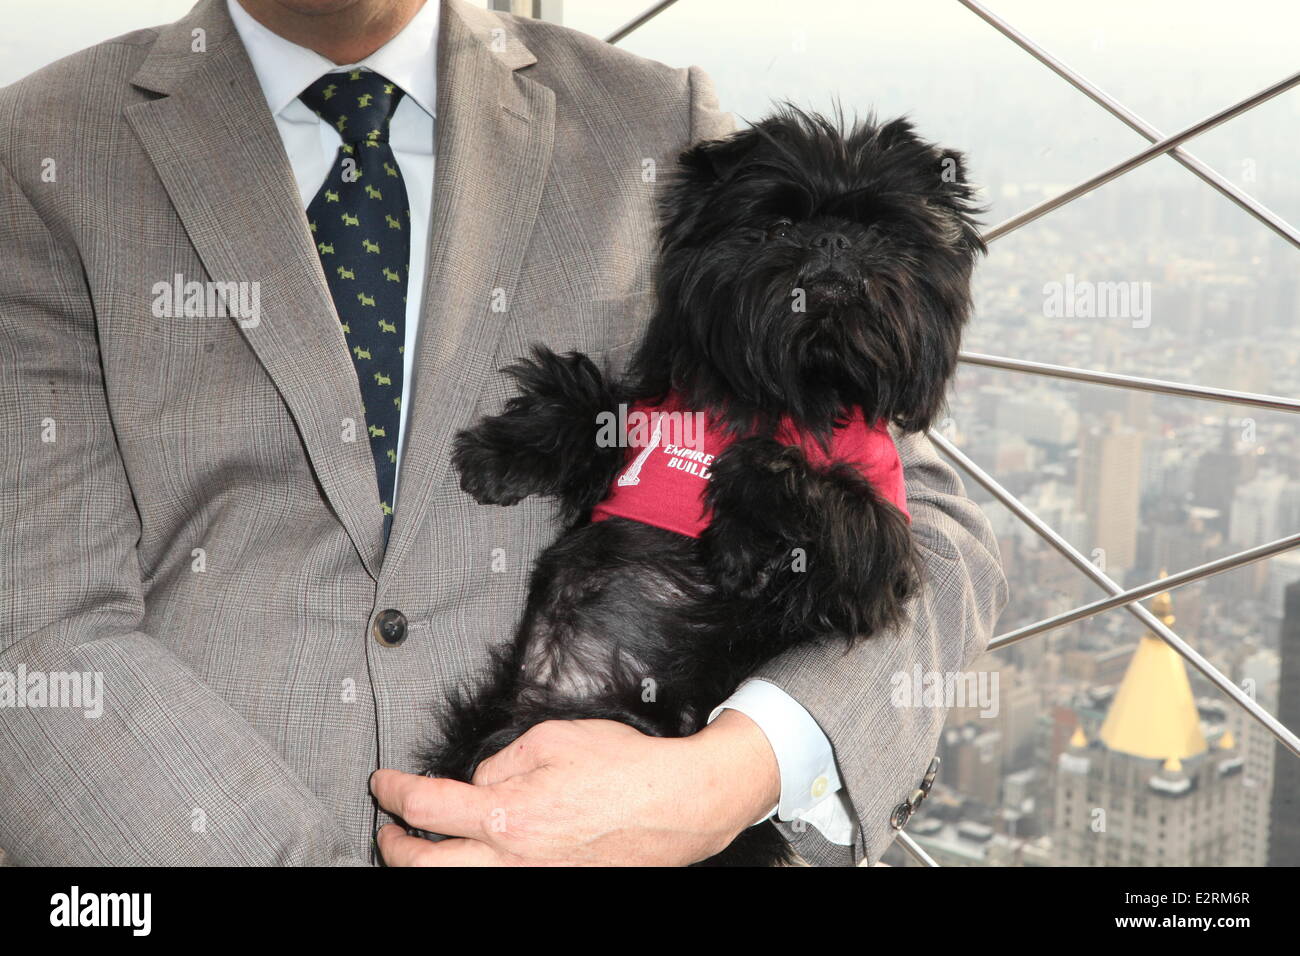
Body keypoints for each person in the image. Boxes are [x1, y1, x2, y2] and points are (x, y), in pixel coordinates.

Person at [0, 0, 1007, 866]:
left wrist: (728, 772)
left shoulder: (662, 126)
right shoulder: (42, 154)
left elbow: (925, 529)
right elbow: (37, 633)